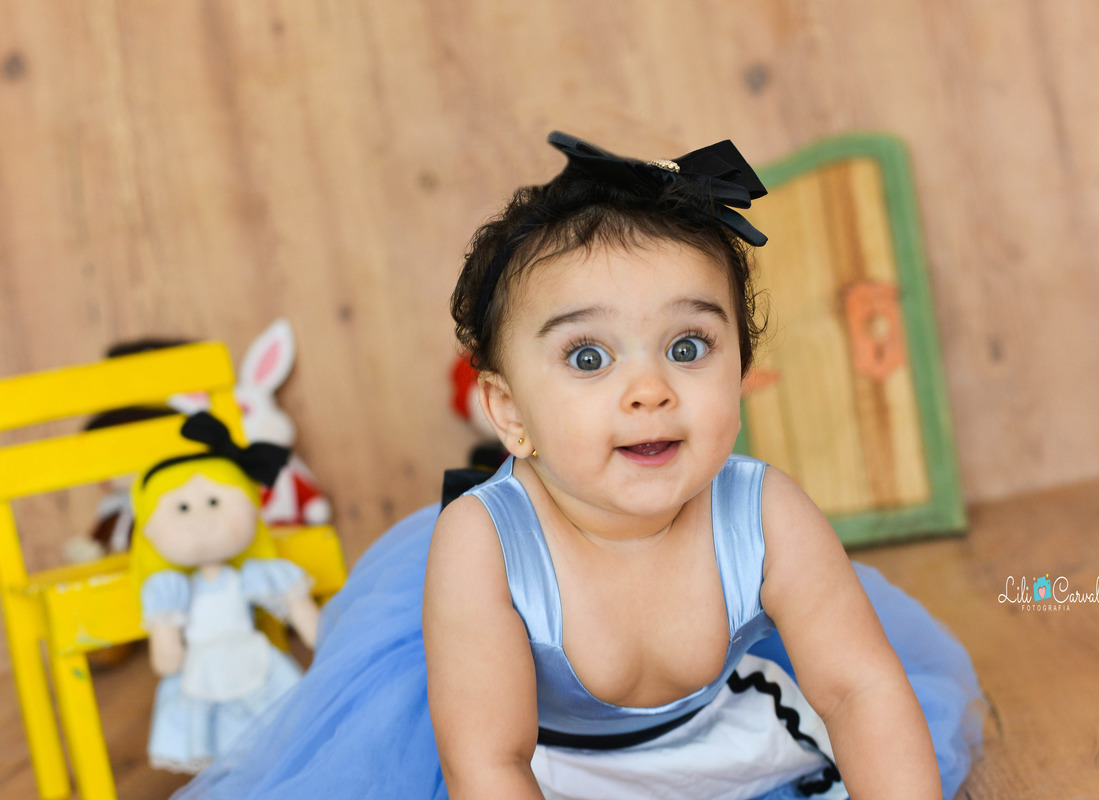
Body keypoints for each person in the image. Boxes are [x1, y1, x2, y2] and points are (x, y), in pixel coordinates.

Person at [174, 132, 981, 800]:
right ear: (510, 412)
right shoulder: (484, 543)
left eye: (689, 346)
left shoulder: (766, 510)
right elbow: (488, 761)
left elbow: (857, 690)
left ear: (742, 370)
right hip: (545, 772)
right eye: (589, 356)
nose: (649, 391)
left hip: (713, 740)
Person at [132, 412, 320, 773]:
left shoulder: (251, 575)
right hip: (200, 670)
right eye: (183, 508)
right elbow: (166, 655)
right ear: (150, 530)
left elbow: (302, 613)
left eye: (216, 502)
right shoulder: (171, 589)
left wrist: (318, 630)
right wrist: (166, 643)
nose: (202, 519)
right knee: (214, 746)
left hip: (251, 658)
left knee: (281, 733)